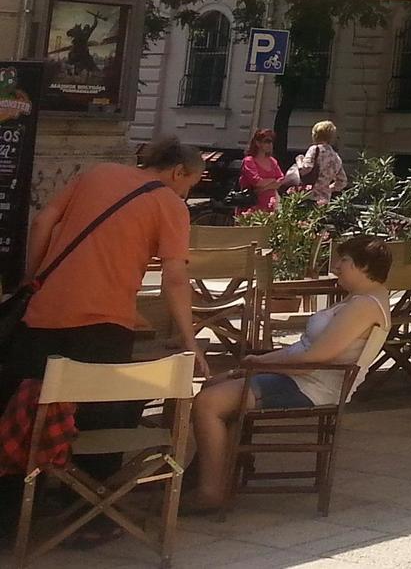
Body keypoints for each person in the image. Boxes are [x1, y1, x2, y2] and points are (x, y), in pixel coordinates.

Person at [0, 139, 208, 536]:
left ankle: (12, 512)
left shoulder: (98, 173)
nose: (187, 193)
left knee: (22, 410)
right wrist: (190, 339)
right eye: (191, 184)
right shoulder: (170, 205)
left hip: (41, 317)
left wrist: (33, 279)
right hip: (103, 326)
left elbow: (43, 221)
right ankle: (87, 513)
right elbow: (175, 278)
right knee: (105, 412)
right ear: (179, 171)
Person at [185, 234, 391, 511]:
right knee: (213, 387)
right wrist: (254, 363)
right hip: (299, 376)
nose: (336, 267)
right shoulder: (360, 300)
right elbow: (307, 351)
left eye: (344, 260)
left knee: (208, 402)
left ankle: (211, 492)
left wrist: (257, 363)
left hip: (310, 385)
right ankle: (213, 476)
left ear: (364, 266)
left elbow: (317, 356)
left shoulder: (364, 306)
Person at [281, 121, 347, 205]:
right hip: (324, 199)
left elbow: (305, 169)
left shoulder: (314, 150)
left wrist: (299, 160)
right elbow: (342, 181)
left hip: (309, 196)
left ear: (316, 135)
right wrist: (327, 188)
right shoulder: (336, 157)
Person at [237, 129, 285, 216]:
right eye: (267, 141)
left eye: (271, 142)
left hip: (270, 205)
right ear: (257, 143)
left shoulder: (272, 161)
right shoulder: (249, 161)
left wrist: (264, 188)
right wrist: (273, 181)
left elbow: (281, 179)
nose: (270, 144)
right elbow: (257, 182)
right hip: (251, 205)